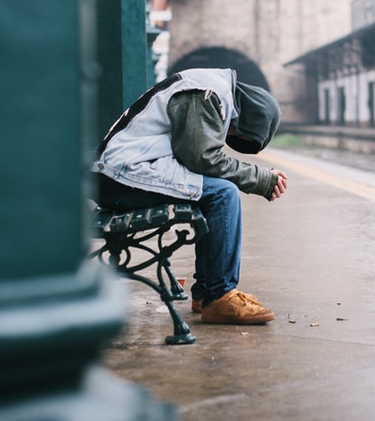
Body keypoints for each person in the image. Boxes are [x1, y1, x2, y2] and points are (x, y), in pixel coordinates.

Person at [92, 68, 289, 325]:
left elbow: (198, 156)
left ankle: (207, 292)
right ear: (244, 119)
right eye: (236, 135)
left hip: (120, 173)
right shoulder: (207, 92)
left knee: (216, 190)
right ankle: (219, 295)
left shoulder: (207, 86)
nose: (229, 136)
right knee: (223, 194)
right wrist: (261, 179)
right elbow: (201, 157)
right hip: (121, 175)